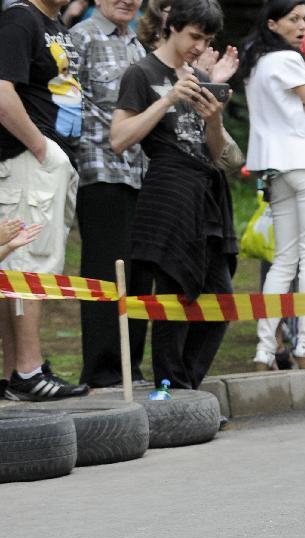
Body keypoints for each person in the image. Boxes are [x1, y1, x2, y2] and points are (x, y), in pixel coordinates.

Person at [111, 0, 236, 389]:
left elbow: (219, 154)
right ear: (172, 27)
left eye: (207, 38)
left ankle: (187, 387)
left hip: (208, 192)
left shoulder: (199, 75)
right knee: (175, 297)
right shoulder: (141, 72)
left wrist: (214, 118)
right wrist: (167, 98)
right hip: (167, 191)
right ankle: (173, 388)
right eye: (195, 36)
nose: (200, 46)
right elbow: (119, 139)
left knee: (221, 302)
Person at [0, 0, 89, 400]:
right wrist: (41, 148)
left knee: (33, 265)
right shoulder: (21, 18)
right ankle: (28, 371)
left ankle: (13, 374)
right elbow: (3, 94)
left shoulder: (53, 23)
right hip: (28, 159)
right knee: (27, 264)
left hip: (49, 161)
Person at [238, 0, 305, 370]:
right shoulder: (289, 60)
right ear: (273, 23)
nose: (302, 26)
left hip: (275, 165)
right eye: (294, 19)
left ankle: (265, 350)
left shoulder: (254, 63)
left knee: (283, 261)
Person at [69, 0, 149, 388]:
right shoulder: (80, 37)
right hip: (99, 168)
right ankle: (101, 371)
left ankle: (131, 369)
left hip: (140, 170)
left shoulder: (138, 44)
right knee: (105, 272)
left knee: (137, 275)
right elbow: (64, 100)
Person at [135, 0, 238, 84]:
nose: (200, 47)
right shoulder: (139, 50)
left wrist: (210, 83)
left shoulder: (193, 55)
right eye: (174, 11)